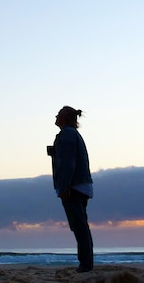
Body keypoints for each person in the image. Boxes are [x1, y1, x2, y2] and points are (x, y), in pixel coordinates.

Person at [48, 105, 94, 273]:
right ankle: (86, 263)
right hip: (79, 185)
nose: (55, 116)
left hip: (74, 186)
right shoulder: (71, 134)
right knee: (80, 225)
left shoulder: (67, 134)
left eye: (59, 114)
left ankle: (86, 264)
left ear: (65, 118)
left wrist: (64, 186)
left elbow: (68, 162)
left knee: (79, 226)